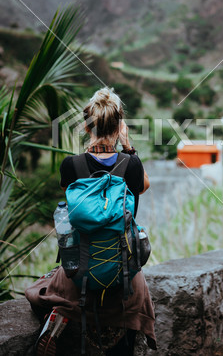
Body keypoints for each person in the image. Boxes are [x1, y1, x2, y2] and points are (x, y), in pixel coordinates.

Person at [26, 87, 156, 355]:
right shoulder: (131, 165)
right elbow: (143, 187)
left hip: (80, 270)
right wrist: (128, 146)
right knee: (140, 291)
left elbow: (77, 209)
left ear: (87, 127)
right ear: (119, 126)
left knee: (43, 286)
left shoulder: (71, 166)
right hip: (123, 271)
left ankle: (58, 317)